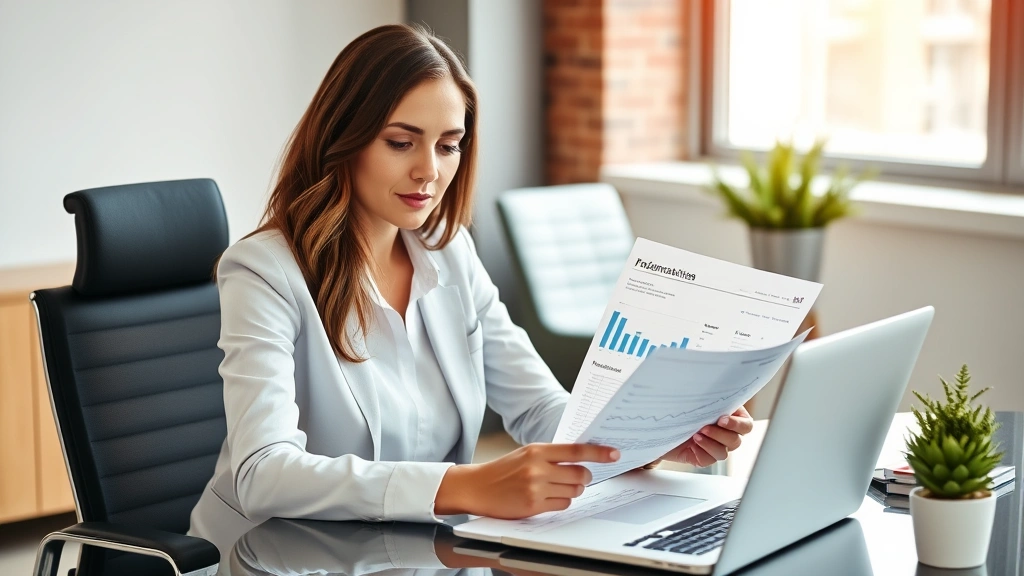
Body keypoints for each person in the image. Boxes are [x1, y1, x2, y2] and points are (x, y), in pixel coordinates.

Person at [189, 24, 752, 536]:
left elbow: (540, 410)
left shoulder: (449, 252)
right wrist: (465, 486)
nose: (429, 171)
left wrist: (648, 441)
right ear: (345, 137)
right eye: (400, 141)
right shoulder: (264, 271)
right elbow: (263, 473)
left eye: (448, 145)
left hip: (416, 554)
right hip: (277, 557)